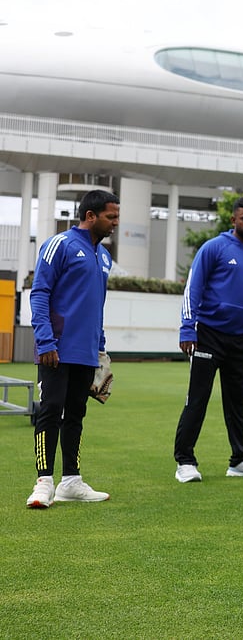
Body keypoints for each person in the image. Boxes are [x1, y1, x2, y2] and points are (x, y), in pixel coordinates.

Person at [26, 189, 120, 508]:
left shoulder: (104, 257)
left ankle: (71, 481)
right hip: (56, 348)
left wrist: (101, 350)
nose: (115, 223)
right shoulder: (60, 244)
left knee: (76, 414)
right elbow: (39, 293)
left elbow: (97, 306)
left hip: (86, 351)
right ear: (90, 216)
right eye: (111, 216)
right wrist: (45, 341)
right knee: (50, 411)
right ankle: (43, 483)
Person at [173, 196, 243, 483]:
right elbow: (192, 288)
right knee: (198, 399)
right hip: (208, 334)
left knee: (238, 402)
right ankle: (185, 461)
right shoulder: (214, 248)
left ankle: (240, 460)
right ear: (233, 220)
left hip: (241, 339)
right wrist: (187, 328)